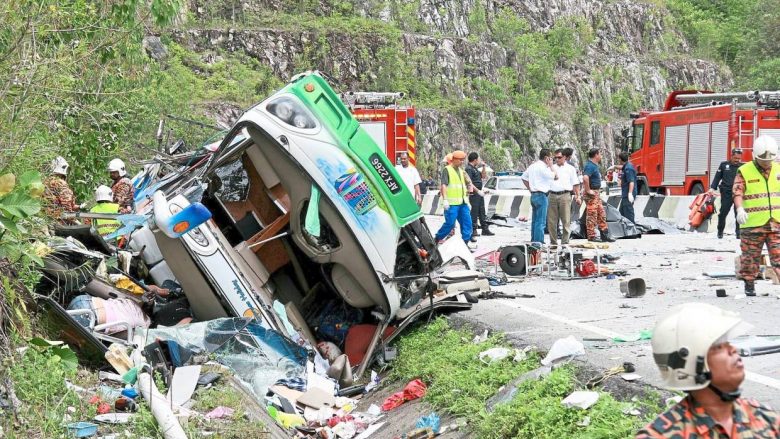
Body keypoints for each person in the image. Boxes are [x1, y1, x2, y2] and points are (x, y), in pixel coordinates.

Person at [637, 302, 780, 438]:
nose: (733, 350)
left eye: (728, 343)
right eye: (718, 347)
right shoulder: (661, 435)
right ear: (692, 365)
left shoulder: (766, 418)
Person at [732, 135, 780, 296]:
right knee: (750, 258)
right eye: (763, 160)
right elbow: (737, 192)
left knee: (779, 257)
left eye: (769, 160)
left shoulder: (779, 169)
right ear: (754, 156)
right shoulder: (744, 171)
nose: (766, 163)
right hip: (752, 224)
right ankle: (749, 285)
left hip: (776, 222)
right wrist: (740, 209)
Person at [434, 150, 474, 245]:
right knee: (450, 224)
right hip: (452, 204)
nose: (462, 162)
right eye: (460, 160)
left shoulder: (461, 171)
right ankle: (437, 238)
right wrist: (445, 200)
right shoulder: (447, 170)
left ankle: (465, 243)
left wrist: (467, 201)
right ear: (454, 159)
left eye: (463, 160)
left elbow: (465, 185)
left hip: (463, 203)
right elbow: (444, 185)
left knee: (467, 224)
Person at [520, 149, 558, 243]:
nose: (552, 160)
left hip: (534, 194)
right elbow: (556, 176)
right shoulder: (543, 168)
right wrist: (551, 166)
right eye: (551, 158)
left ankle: (534, 240)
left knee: (535, 220)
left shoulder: (533, 166)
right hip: (541, 195)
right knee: (541, 221)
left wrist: (531, 189)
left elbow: (524, 177)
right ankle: (539, 242)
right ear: (546, 158)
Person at [547, 149, 580, 246]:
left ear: (565, 157)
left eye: (559, 157)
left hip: (565, 195)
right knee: (552, 221)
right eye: (555, 157)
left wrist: (578, 196)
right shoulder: (551, 168)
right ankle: (553, 243)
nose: (557, 159)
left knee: (566, 220)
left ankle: (565, 242)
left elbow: (575, 183)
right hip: (552, 195)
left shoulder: (570, 169)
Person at [582, 149, 615, 242]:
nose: (601, 156)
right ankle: (591, 236)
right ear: (596, 155)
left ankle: (604, 233)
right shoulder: (590, 166)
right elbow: (585, 178)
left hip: (596, 193)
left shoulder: (594, 165)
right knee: (592, 215)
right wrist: (588, 190)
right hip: (591, 193)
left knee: (601, 213)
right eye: (600, 154)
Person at [709, 148, 743, 239]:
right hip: (726, 192)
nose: (737, 160)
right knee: (723, 212)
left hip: (738, 193)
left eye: (739, 159)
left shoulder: (743, 166)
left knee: (738, 213)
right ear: (731, 156)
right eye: (735, 158)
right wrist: (712, 188)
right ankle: (720, 231)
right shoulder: (724, 165)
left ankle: (738, 233)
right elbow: (717, 177)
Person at [43, 156, 81, 223]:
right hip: (58, 220)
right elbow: (66, 205)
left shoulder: (44, 182)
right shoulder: (61, 183)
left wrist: (79, 207)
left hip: (45, 218)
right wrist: (74, 220)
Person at [466, 152, 493, 241]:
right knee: (474, 212)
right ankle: (473, 230)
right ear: (475, 160)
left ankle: (484, 229)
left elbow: (483, 177)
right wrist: (477, 191)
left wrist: (484, 167)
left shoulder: (475, 169)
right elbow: (469, 182)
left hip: (479, 192)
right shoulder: (469, 169)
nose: (479, 160)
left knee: (482, 210)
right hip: (474, 193)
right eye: (478, 159)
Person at [618, 152, 637, 224]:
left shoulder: (628, 168)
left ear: (620, 159)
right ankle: (624, 229)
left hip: (628, 193)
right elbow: (621, 167)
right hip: (625, 194)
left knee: (628, 212)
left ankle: (632, 228)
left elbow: (631, 181)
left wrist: (630, 193)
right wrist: (614, 167)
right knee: (622, 212)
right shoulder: (627, 165)